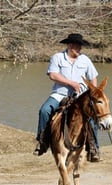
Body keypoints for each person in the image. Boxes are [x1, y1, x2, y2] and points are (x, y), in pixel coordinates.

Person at [34, 33, 101, 162]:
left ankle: (94, 148)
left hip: (81, 97)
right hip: (60, 94)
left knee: (93, 118)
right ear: (70, 45)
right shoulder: (57, 57)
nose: (80, 49)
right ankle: (42, 142)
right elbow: (53, 75)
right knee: (45, 110)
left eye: (81, 47)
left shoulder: (85, 60)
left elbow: (93, 77)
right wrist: (71, 83)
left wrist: (93, 93)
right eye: (77, 46)